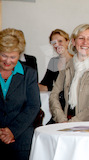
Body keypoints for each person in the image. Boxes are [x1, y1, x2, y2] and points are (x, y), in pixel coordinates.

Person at [49, 24, 89, 122]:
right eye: (81, 38)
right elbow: (53, 95)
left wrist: (74, 122)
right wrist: (61, 120)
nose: (85, 42)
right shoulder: (67, 66)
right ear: (73, 42)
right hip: (67, 122)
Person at [0, 28, 40, 160]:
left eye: (13, 57)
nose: (8, 61)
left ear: (19, 55)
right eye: (4, 55)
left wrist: (12, 131)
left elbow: (33, 106)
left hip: (21, 137)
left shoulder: (29, 74)